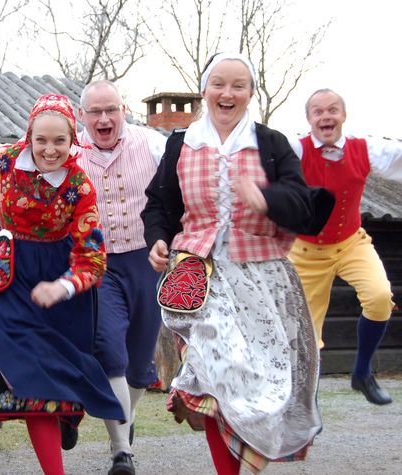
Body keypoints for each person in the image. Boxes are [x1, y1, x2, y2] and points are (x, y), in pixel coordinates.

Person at [142, 53, 325, 474]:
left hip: (262, 277)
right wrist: (158, 239)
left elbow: (304, 207)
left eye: (238, 85)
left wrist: (266, 199)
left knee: (259, 385)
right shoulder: (179, 144)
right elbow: (160, 204)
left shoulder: (273, 145)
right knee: (216, 373)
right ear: (204, 90)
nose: (228, 93)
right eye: (219, 84)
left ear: (250, 93)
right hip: (199, 276)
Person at [0, 93, 124, 475]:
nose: (49, 149)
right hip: (12, 280)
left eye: (60, 140)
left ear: (73, 140)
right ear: (28, 135)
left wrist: (64, 287)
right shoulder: (6, 160)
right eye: (41, 140)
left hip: (61, 287)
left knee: (64, 373)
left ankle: (67, 418)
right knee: (31, 380)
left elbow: (93, 256)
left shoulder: (79, 185)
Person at [287, 88, 402, 405]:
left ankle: (362, 373)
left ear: (343, 115)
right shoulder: (294, 149)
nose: (326, 116)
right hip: (306, 251)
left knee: (380, 297)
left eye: (332, 110)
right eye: (318, 111)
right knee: (307, 334)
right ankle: (307, 403)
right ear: (309, 119)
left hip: (352, 242)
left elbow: (398, 158)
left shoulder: (364, 148)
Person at [76, 79, 167, 475]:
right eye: (95, 111)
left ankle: (125, 426)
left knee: (140, 361)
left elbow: (178, 188)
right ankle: (120, 452)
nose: (104, 118)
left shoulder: (152, 144)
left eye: (110, 109)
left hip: (146, 261)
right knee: (109, 349)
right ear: (83, 116)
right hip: (99, 265)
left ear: (123, 110)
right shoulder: (69, 150)